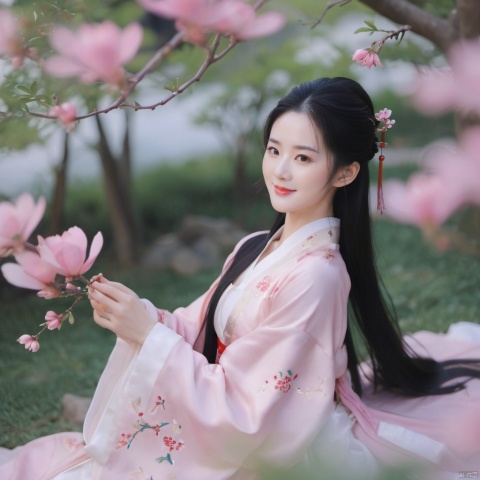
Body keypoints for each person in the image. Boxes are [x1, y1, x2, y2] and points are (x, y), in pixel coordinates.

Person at [1, 77, 480, 480]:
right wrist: (140, 316)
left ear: (347, 172)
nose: (280, 171)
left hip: (281, 442)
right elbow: (195, 326)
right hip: (242, 412)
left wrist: (148, 336)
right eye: (274, 150)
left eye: (304, 158)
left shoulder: (318, 276)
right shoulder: (256, 244)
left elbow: (253, 411)